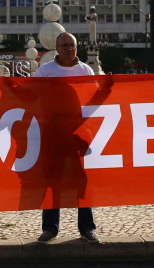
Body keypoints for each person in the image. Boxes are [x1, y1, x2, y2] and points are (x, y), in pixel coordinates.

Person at [33, 32, 100, 244]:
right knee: (53, 181)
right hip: (52, 135)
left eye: (72, 45)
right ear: (56, 48)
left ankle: (87, 228)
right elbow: (33, 98)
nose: (69, 49)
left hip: (78, 134)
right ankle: (50, 228)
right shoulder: (45, 71)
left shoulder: (85, 70)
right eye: (64, 45)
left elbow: (93, 97)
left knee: (82, 182)